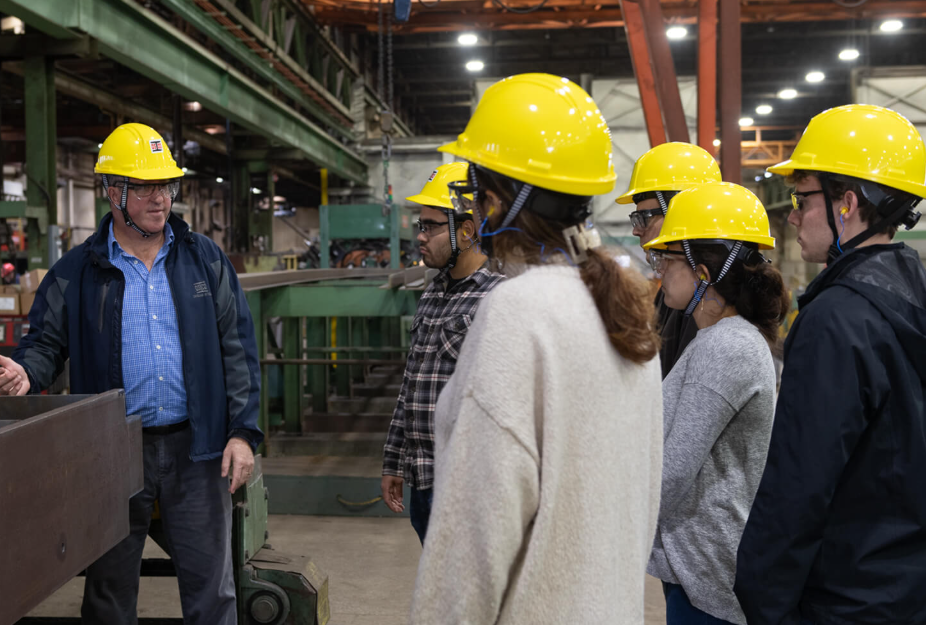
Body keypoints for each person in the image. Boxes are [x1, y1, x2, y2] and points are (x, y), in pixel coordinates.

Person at [409, 73, 663, 624]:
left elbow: (471, 546)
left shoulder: (518, 313)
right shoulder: (624, 310)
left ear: (500, 200)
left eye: (477, 193)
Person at [0, 123, 262, 625]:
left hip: (198, 449)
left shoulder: (203, 259)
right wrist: (26, 376)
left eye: (165, 185)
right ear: (111, 191)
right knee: (108, 595)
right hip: (110, 451)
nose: (159, 198)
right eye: (143, 187)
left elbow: (239, 351)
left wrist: (243, 434)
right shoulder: (76, 271)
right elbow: (46, 346)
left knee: (213, 592)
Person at [734, 104, 926, 624]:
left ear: (847, 203)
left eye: (801, 198)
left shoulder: (836, 320)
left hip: (843, 599)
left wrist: (762, 598)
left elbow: (798, 487)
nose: (791, 214)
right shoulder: (913, 294)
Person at [642, 181, 789, 624]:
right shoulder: (722, 338)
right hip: (697, 566)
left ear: (703, 273)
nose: (659, 271)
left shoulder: (725, 347)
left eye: (667, 260)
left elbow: (671, 473)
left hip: (707, 578)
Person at [381, 161, 504, 544]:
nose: (420, 236)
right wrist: (393, 459)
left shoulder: (497, 299)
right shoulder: (432, 294)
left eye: (430, 227)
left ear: (466, 231)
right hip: (423, 477)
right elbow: (411, 384)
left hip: (465, 484)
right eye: (421, 226)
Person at [616, 142, 722, 378]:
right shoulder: (675, 293)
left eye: (643, 218)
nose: (636, 231)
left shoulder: (716, 305)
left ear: (678, 212)